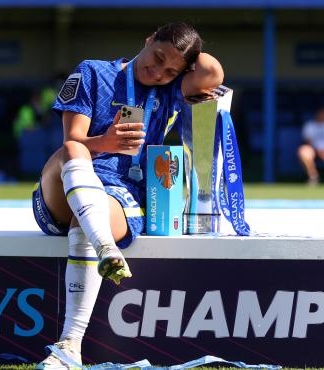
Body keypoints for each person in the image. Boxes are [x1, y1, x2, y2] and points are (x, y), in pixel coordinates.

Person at [31, 23, 224, 369]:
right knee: (72, 150)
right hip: (68, 182)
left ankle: (70, 346)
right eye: (158, 57)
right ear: (148, 39)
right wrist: (104, 142)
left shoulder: (169, 90)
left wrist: (184, 58)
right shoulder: (93, 72)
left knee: (86, 219)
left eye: (171, 71)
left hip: (120, 195)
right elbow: (72, 139)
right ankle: (106, 247)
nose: (158, 71)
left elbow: (211, 70)